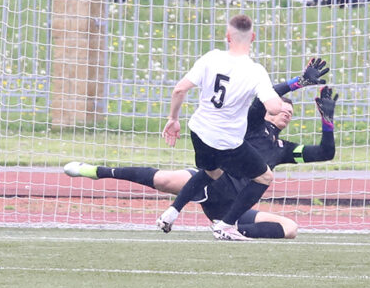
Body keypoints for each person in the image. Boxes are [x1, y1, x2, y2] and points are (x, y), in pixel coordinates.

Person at [65, 60, 338, 239]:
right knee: (163, 179)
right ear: (269, 109)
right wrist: (298, 82)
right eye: (282, 108)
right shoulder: (251, 124)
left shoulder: (284, 149)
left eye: (291, 112)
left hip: (231, 207)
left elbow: (325, 153)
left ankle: (230, 229)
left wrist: (328, 122)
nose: (286, 113)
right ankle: (97, 171)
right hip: (213, 180)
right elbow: (262, 97)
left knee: (291, 228)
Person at [156, 13, 283, 241]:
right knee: (264, 177)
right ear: (253, 37)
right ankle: (226, 225)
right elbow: (274, 109)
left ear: (228, 36)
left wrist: (173, 119)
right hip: (227, 141)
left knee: (212, 172)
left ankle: (171, 213)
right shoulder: (255, 71)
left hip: (199, 131)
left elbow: (179, 90)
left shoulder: (211, 57)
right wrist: (277, 99)